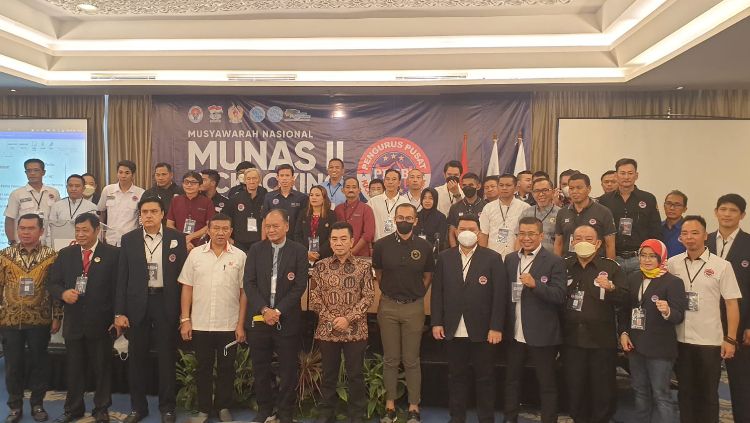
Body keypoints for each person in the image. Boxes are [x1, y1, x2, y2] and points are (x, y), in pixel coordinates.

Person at [114, 197, 188, 423]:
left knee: (166, 357)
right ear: (140, 215)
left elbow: (184, 279)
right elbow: (122, 278)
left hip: (166, 302)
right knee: (137, 358)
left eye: (153, 211)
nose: (148, 215)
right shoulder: (129, 239)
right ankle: (138, 408)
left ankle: (167, 408)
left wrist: (184, 313)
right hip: (137, 304)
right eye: (144, 211)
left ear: (162, 214)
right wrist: (119, 312)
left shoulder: (177, 238)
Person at [431, 214, 505, 423]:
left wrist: (496, 326)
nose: (467, 232)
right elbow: (438, 293)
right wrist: (436, 322)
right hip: (453, 328)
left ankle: (486, 418)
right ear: (455, 231)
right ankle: (457, 417)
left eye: (471, 229)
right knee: (456, 377)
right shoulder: (445, 257)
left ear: (478, 232)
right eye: (462, 228)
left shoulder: (492, 258)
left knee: (485, 378)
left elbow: (499, 296)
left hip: (483, 330)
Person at [667, 215, 741, 423]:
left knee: (708, 394)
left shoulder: (722, 266)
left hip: (709, 340)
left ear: (705, 236)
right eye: (684, 233)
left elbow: (731, 304)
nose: (689, 237)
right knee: (685, 392)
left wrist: (731, 338)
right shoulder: (673, 264)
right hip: (680, 338)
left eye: (695, 233)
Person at [47, 214, 119, 423]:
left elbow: (118, 289)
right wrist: (63, 294)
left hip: (102, 322)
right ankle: (73, 408)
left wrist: (117, 317)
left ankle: (101, 408)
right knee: (74, 368)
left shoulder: (113, 254)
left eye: (85, 230)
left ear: (97, 230)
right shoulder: (66, 254)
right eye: (77, 230)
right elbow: (53, 283)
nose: (80, 234)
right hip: (75, 322)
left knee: (102, 368)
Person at [178, 213, 247, 423]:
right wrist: (185, 320)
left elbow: (244, 293)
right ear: (208, 230)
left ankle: (224, 407)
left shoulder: (240, 256)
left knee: (227, 369)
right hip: (200, 323)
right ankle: (204, 409)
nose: (220, 232)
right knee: (203, 369)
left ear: (231, 231)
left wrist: (241, 325)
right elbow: (187, 288)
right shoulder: (196, 255)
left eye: (225, 228)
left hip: (229, 324)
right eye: (216, 228)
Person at [243, 209, 308, 423]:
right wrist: (264, 309)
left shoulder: (298, 250)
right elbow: (249, 284)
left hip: (287, 319)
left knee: (288, 369)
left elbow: (299, 286)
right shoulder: (255, 249)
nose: (271, 230)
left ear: (286, 226)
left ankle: (285, 412)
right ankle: (265, 410)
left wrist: (277, 311)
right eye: (267, 226)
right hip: (260, 319)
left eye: (275, 226)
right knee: (260, 367)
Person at [373, 203, 434, 423]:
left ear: (415, 221)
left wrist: (416, 294)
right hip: (388, 306)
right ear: (394, 218)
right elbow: (379, 274)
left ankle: (413, 407)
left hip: (414, 307)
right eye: (400, 217)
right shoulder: (381, 245)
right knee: (390, 359)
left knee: (411, 360)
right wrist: (392, 292)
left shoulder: (425, 247)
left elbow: (428, 276)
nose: (404, 221)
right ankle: (390, 405)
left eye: (409, 218)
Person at [309, 222, 375, 423]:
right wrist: (332, 320)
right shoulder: (320, 266)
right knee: (328, 375)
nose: (339, 243)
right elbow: (314, 298)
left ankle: (357, 414)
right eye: (335, 239)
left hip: (355, 329)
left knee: (355, 375)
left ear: (351, 241)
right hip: (327, 330)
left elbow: (369, 297)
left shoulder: (364, 266)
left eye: (343, 239)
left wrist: (347, 319)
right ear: (329, 242)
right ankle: (326, 412)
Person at [503, 217, 566, 423]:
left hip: (542, 333)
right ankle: (509, 419)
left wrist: (535, 284)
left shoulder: (555, 261)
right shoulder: (511, 259)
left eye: (531, 234)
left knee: (546, 384)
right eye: (522, 233)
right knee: (511, 381)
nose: (526, 238)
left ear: (541, 236)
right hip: (515, 332)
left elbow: (559, 296)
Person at [562, 224, 627, 423]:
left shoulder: (611, 267)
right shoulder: (563, 265)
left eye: (588, 239)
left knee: (602, 388)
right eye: (578, 238)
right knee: (575, 386)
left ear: (598, 243)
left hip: (601, 341)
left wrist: (612, 288)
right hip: (571, 340)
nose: (583, 242)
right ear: (572, 242)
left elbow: (625, 299)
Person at [0, 214, 60, 423]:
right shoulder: (4, 255)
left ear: (41, 231)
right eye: (22, 228)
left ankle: (37, 404)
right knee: (13, 366)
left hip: (39, 320)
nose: (25, 232)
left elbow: (55, 290)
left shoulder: (51, 256)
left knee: (39, 364)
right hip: (9, 320)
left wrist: (57, 316)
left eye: (30, 228)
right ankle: (15, 406)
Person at [618, 239, 686, 423]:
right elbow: (625, 309)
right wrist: (624, 333)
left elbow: (678, 316)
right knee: (640, 392)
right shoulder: (633, 278)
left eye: (652, 256)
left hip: (660, 349)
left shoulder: (673, 282)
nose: (647, 260)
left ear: (661, 257)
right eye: (643, 255)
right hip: (636, 346)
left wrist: (668, 310)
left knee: (661, 395)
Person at [707, 194, 750, 423]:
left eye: (733, 210)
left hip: (740, 324)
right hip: (707, 324)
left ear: (742, 215)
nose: (727, 214)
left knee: (741, 382)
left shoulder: (749, 244)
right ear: (716, 212)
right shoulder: (704, 241)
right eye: (723, 209)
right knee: (707, 381)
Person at [598, 159, 662, 275]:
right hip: (613, 257)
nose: (626, 177)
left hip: (640, 259)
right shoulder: (604, 200)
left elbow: (656, 231)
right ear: (616, 175)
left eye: (630, 173)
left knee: (639, 292)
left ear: (636, 175)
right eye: (622, 173)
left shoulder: (648, 199)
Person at [553, 173, 616, 259]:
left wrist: (610, 269)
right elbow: (558, 243)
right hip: (568, 263)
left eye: (579, 188)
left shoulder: (603, 212)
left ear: (589, 189)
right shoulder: (562, 212)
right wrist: (556, 267)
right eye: (571, 188)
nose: (574, 191)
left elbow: (610, 244)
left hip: (595, 263)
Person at [4, 158, 61, 246]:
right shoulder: (17, 194)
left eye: (36, 170)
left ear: (43, 172)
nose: (32, 173)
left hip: (49, 243)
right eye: (29, 171)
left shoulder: (54, 192)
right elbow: (9, 219)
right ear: (26, 173)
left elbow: (58, 219)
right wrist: (12, 242)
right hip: (23, 244)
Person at [479, 173, 530, 258]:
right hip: (492, 256)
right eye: (501, 185)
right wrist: (482, 257)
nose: (504, 188)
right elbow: (484, 234)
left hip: (516, 256)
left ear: (516, 188)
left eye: (508, 185)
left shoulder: (525, 208)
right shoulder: (488, 207)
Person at [98, 160, 145, 247]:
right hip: (111, 239)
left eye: (127, 173)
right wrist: (101, 232)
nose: (123, 176)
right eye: (120, 172)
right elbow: (101, 211)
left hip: (131, 240)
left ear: (133, 175)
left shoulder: (140, 193)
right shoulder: (108, 190)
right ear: (117, 173)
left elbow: (142, 216)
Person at [166, 171, 215, 250]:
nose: (189, 185)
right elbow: (169, 224)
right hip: (178, 243)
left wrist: (189, 237)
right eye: (186, 182)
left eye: (193, 182)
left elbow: (209, 226)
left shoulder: (207, 202)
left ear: (200, 186)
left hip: (201, 244)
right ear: (182, 184)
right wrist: (182, 239)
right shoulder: (176, 200)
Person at [47, 174, 97, 249]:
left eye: (77, 186)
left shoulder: (92, 207)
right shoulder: (57, 206)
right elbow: (50, 228)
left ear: (83, 188)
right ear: (66, 187)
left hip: (84, 246)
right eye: (70, 186)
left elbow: (95, 230)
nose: (73, 189)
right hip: (60, 245)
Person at [224, 167, 265, 252]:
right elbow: (225, 219)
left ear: (259, 180)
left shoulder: (266, 197)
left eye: (254, 178)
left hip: (259, 243)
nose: (251, 181)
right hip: (238, 244)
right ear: (245, 180)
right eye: (248, 179)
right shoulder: (235, 198)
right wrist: (229, 239)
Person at [261, 164, 308, 238]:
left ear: (293, 178)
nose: (284, 178)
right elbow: (264, 220)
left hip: (295, 240)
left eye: (287, 175)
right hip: (274, 239)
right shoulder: (269, 197)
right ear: (277, 178)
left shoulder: (302, 198)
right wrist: (264, 242)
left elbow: (304, 223)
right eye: (282, 175)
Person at [294, 185, 337, 264]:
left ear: (323, 198)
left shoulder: (331, 215)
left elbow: (332, 237)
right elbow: (297, 235)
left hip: (325, 257)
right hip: (305, 256)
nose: (314, 197)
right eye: (311, 195)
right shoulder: (303, 214)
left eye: (317, 195)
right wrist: (306, 252)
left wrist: (319, 253)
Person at [334, 177, 375, 257]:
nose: (351, 190)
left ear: (359, 190)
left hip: (361, 255)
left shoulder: (366, 209)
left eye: (354, 187)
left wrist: (352, 252)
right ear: (343, 190)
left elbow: (368, 234)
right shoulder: (338, 209)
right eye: (348, 187)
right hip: (340, 254)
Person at [519, 178, 559, 252]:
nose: (541, 194)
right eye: (537, 191)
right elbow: (518, 239)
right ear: (532, 193)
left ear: (553, 192)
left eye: (545, 190)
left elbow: (560, 242)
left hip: (550, 259)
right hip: (528, 257)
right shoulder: (526, 213)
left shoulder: (560, 213)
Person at [447, 172, 486, 247]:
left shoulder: (486, 207)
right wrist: (454, 250)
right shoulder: (455, 207)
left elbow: (486, 233)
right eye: (464, 185)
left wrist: (482, 251)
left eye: (471, 185)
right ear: (461, 186)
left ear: (478, 186)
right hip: (459, 248)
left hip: (479, 249)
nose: (467, 187)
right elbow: (451, 232)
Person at [369, 169, 409, 241]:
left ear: (399, 183)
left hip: (399, 243)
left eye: (394, 179)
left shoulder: (405, 203)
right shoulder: (373, 202)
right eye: (387, 179)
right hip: (378, 243)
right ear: (384, 182)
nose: (390, 182)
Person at [414, 187, 448, 252]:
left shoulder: (441, 217)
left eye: (430, 198)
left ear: (435, 200)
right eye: (424, 198)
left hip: (433, 253)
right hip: (415, 251)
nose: (427, 201)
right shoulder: (416, 215)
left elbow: (440, 240)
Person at [663, 190, 688, 258]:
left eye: (677, 205)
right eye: (668, 203)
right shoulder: (656, 227)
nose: (672, 208)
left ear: (685, 209)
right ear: (664, 205)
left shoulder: (689, 230)